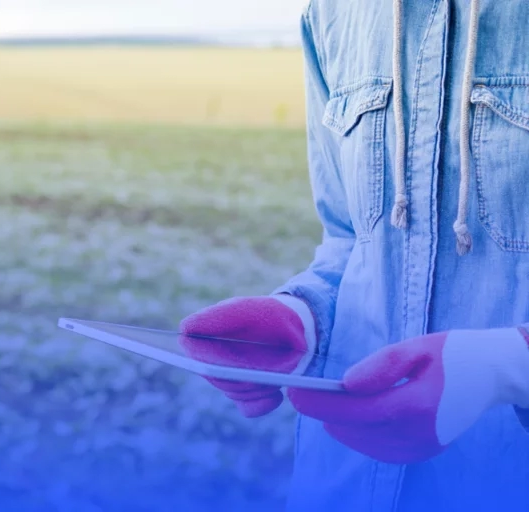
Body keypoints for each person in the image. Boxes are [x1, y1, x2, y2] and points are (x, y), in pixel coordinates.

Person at [179, 1, 529, 510]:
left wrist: (503, 368)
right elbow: (349, 239)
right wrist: (299, 315)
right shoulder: (331, 14)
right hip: (342, 486)